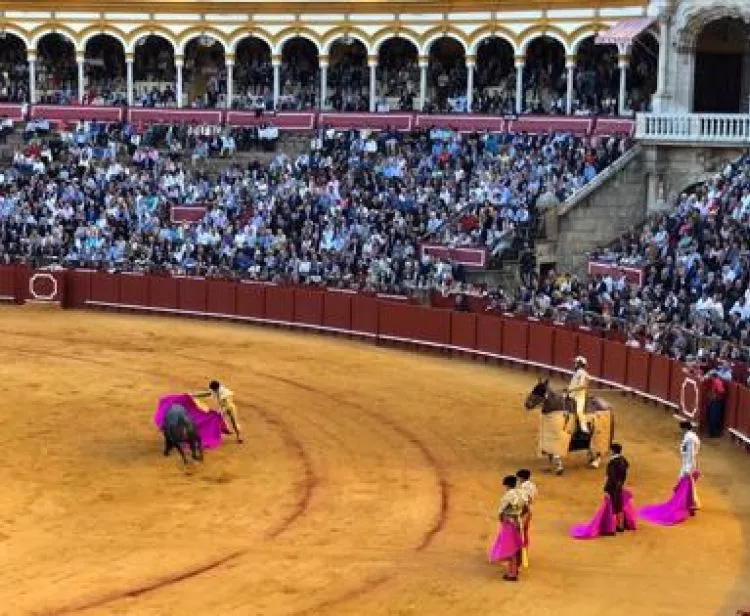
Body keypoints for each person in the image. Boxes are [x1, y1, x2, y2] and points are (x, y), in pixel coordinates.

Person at [488, 475, 525, 582]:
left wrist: (503, 521)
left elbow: (500, 512)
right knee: (516, 547)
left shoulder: (508, 496)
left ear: (507, 485)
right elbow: (525, 508)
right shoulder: (521, 493)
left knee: (510, 548)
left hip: (509, 523)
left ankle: (512, 574)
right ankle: (515, 569)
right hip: (518, 522)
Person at [604, 443, 629, 532]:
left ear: (613, 451)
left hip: (613, 487)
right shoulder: (624, 461)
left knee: (612, 507)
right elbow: (624, 476)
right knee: (619, 506)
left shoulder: (612, 463)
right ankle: (620, 525)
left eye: (610, 450)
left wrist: (606, 488)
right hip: (620, 486)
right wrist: (621, 484)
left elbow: (611, 477)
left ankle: (612, 527)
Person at [516, 469, 537, 558]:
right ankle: (524, 553)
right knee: (525, 531)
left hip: (523, 511)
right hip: (529, 510)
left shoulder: (523, 487)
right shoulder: (533, 486)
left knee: (518, 532)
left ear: (521, 478)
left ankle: (519, 554)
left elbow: (524, 500)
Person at [567, 356, 590, 433]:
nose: (574, 364)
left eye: (576, 363)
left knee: (579, 411)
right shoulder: (577, 372)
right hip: (572, 394)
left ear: (579, 364)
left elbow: (582, 386)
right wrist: (568, 390)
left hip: (579, 397)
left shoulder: (582, 373)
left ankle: (584, 427)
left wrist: (571, 389)